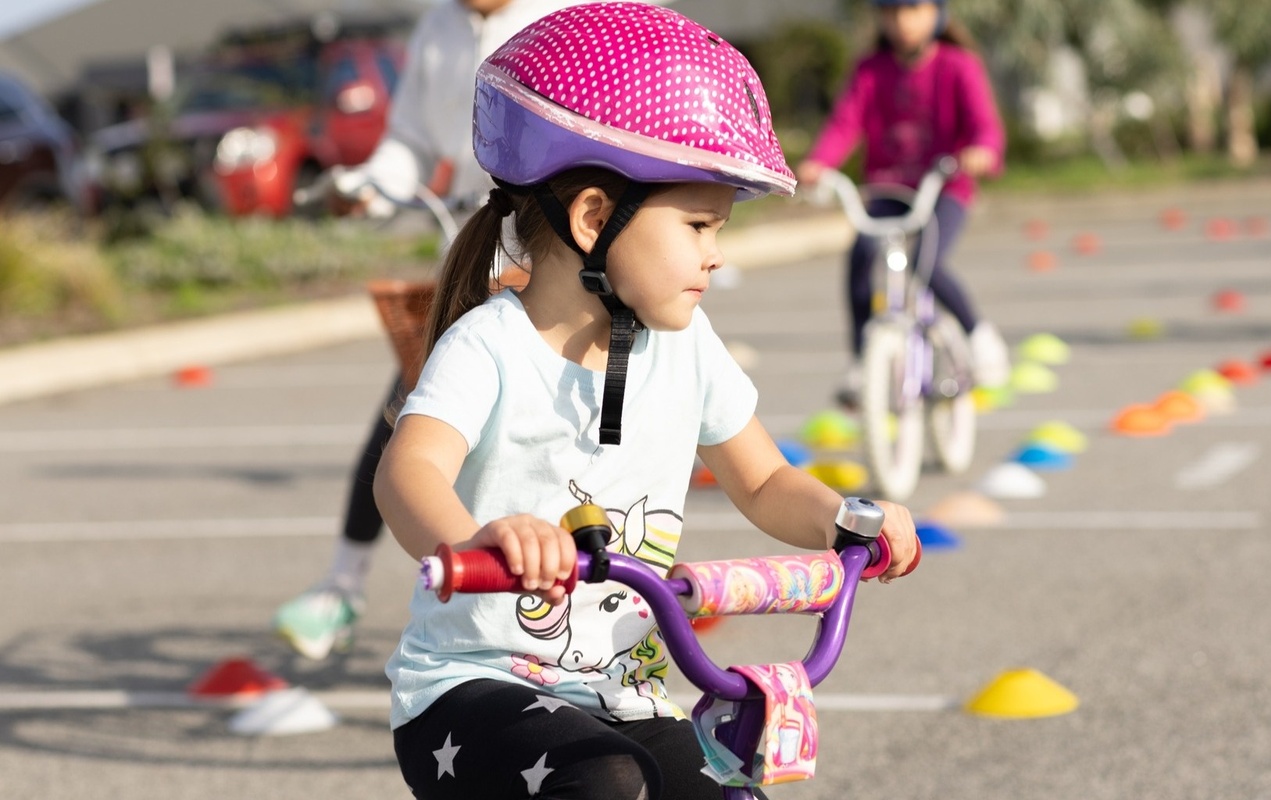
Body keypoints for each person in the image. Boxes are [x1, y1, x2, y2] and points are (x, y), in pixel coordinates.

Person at [374, 5, 921, 799]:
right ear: (596, 217)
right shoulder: (491, 345)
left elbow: (765, 482)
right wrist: (482, 538)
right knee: (606, 784)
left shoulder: (687, 344)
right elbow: (408, 473)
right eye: (698, 224)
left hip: (620, 698)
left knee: (728, 791)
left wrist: (849, 522)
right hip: (469, 692)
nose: (715, 252)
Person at [272, 0, 593, 661]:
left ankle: (617, 587)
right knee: (409, 407)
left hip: (559, 250)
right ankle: (343, 585)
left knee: (579, 423)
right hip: (476, 248)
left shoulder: (569, 10)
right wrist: (373, 181)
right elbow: (412, 140)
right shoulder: (438, 27)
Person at [794, 0, 1010, 408]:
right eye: (891, 11)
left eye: (913, 9)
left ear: (937, 14)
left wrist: (982, 150)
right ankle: (861, 364)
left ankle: (980, 336)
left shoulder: (958, 65)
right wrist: (819, 163)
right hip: (889, 191)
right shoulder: (871, 70)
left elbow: (986, 126)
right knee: (860, 255)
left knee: (926, 262)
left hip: (943, 189)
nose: (902, 20)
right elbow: (845, 123)